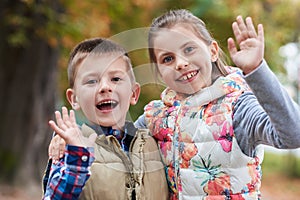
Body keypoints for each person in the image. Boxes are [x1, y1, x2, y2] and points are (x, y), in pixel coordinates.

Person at [132, 9, 300, 199]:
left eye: (188, 49)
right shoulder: (156, 117)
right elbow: (115, 149)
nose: (180, 63)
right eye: (168, 59)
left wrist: (256, 70)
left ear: (212, 51)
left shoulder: (238, 108)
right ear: (160, 72)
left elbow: (294, 134)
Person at [42, 38, 169, 199]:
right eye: (92, 81)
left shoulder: (155, 139)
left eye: (115, 79)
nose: (105, 87)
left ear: (134, 93)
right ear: (74, 99)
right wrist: (76, 161)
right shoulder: (71, 151)